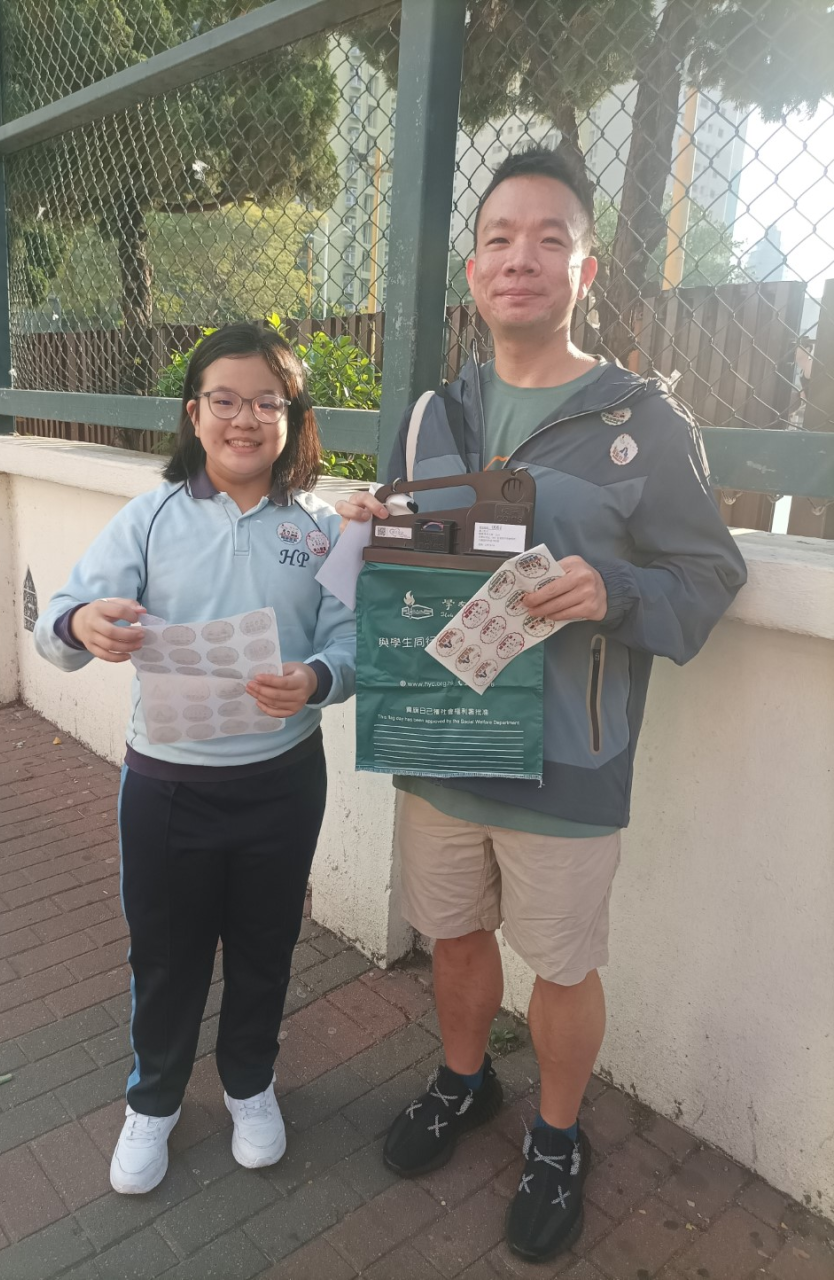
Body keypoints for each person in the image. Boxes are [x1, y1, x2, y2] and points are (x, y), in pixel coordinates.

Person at [336, 147, 747, 1263]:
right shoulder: (432, 415)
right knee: (454, 934)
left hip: (569, 756)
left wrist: (614, 590)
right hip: (440, 739)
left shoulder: (643, 423)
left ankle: (557, 1137)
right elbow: (404, 560)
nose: (521, 257)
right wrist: (370, 524)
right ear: (472, 269)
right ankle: (463, 1081)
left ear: (584, 267)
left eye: (549, 238)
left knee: (561, 965)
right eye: (500, 238)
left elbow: (708, 575)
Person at [34, 323, 355, 1194]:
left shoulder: (324, 528)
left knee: (265, 944)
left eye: (265, 402)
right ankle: (154, 1100)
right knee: (167, 954)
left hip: (283, 782)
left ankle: (249, 1085)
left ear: (293, 417)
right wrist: (82, 624)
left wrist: (318, 677)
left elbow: (350, 640)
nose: (243, 419)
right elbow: (55, 625)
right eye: (224, 400)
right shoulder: (149, 518)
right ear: (193, 413)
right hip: (168, 787)